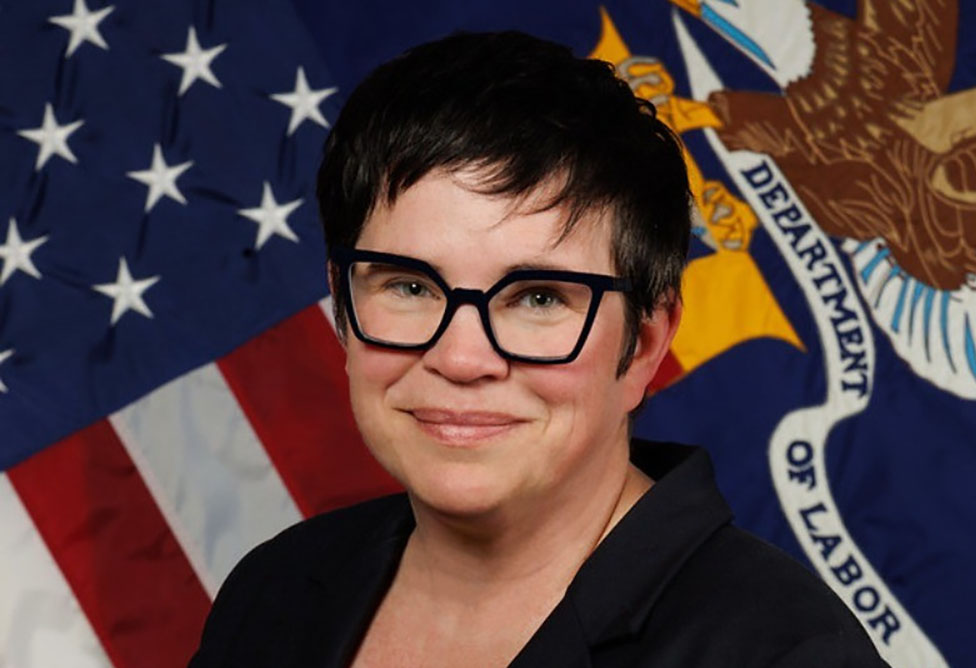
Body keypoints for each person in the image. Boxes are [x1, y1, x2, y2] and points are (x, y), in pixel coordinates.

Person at [188, 31, 889, 668]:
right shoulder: (274, 591)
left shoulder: (784, 655)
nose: (462, 360)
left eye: (539, 298)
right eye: (409, 286)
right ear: (342, 303)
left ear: (644, 343)